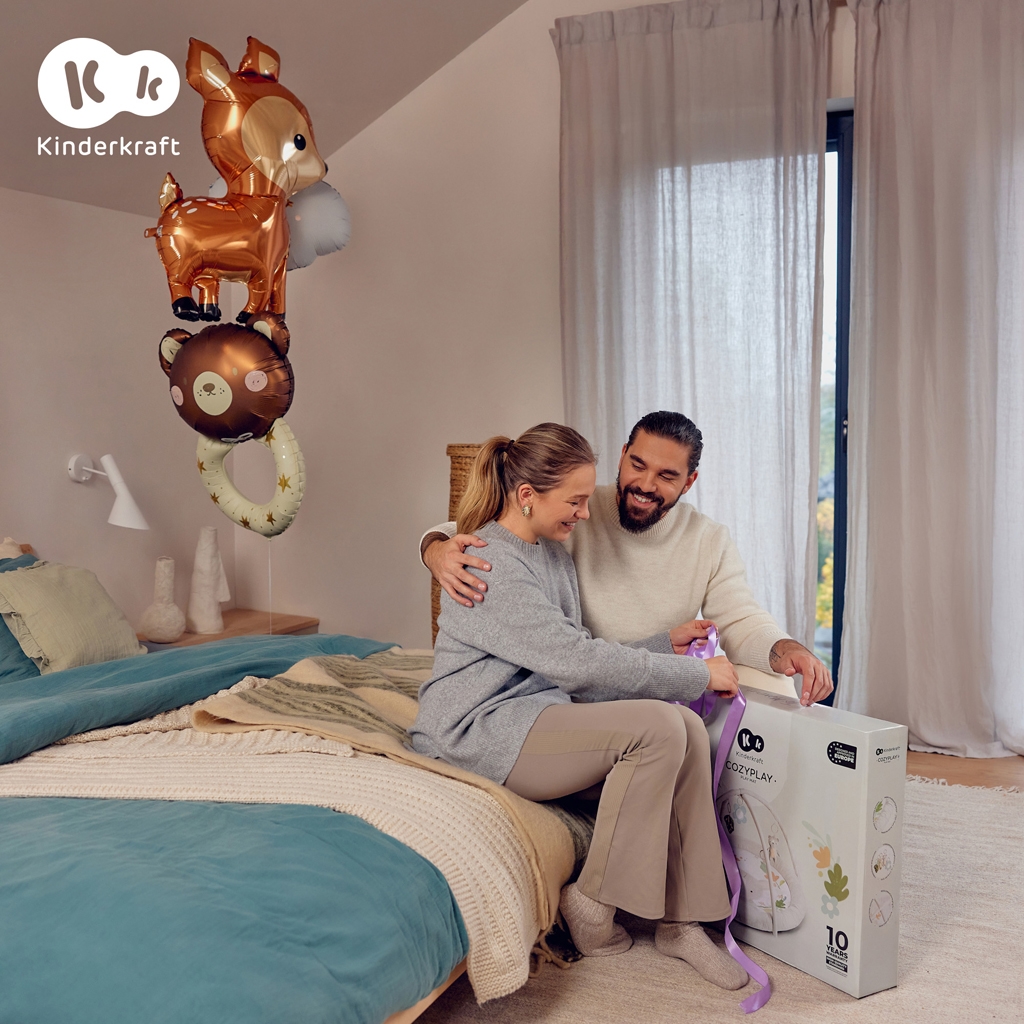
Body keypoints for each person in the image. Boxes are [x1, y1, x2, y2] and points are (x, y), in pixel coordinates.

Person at [409, 423, 749, 991]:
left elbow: (571, 662)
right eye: (575, 501)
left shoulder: (552, 558)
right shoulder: (490, 564)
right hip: (477, 732)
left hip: (535, 716)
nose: (586, 514)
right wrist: (694, 672)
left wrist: (662, 645)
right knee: (659, 726)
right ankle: (592, 903)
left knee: (686, 726)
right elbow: (575, 663)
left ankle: (682, 921)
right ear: (527, 495)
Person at [422, 411, 833, 707]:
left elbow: (740, 619)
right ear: (622, 455)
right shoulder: (573, 511)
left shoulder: (708, 539)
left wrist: (785, 649)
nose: (645, 485)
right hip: (582, 681)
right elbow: (488, 532)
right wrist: (435, 549)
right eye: (637, 465)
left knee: (771, 692)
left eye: (667, 476)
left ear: (689, 481)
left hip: (650, 673)